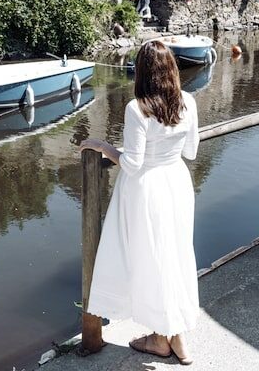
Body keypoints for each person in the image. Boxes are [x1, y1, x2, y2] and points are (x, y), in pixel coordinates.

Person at [79, 40, 200, 365]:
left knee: (151, 260)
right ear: (172, 69)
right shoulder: (188, 101)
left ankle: (162, 338)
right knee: (173, 257)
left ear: (142, 73)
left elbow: (132, 163)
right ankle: (174, 336)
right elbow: (191, 152)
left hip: (147, 189)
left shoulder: (138, 108)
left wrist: (104, 147)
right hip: (176, 183)